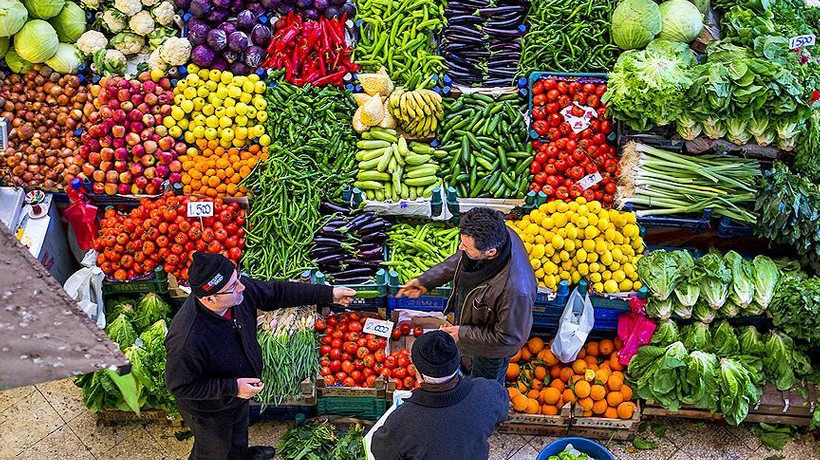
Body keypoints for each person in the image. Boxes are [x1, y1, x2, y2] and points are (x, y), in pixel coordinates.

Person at [165, 252, 356, 460]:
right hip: (209, 410)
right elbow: (180, 386)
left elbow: (277, 292)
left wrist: (328, 293)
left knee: (238, 432)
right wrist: (233, 387)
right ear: (209, 298)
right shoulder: (186, 339)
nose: (242, 287)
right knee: (214, 449)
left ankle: (242, 455)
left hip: (238, 394)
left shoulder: (236, 293)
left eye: (237, 278)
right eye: (233, 287)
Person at [397, 207, 537, 384]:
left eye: (467, 247)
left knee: (484, 385)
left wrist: (463, 333)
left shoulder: (515, 292)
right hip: (475, 325)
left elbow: (508, 339)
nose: (460, 248)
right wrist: (426, 280)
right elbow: (462, 259)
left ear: (491, 252)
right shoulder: (498, 234)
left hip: (491, 352)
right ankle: (468, 365)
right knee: (469, 363)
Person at [370, 330, 508, 460]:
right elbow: (502, 413)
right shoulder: (489, 391)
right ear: (456, 364)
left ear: (417, 374)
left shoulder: (402, 421)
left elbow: (380, 451)